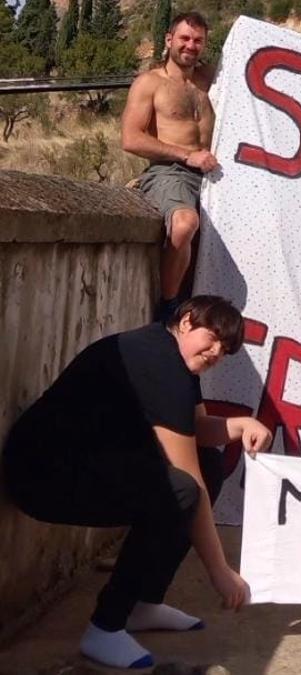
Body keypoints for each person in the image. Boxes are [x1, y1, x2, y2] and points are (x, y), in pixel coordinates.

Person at [1, 296, 272, 669]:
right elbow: (189, 480)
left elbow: (193, 431)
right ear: (188, 321)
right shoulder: (159, 363)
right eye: (213, 338)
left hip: (84, 462)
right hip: (41, 474)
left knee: (205, 464)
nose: (215, 352)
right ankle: (105, 626)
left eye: (225, 350)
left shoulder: (175, 358)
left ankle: (144, 602)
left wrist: (238, 426)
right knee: (181, 490)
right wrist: (220, 572)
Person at [121, 12, 218, 321]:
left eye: (198, 40)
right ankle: (168, 309)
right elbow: (131, 138)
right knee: (184, 223)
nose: (191, 46)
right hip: (171, 171)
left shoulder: (211, 79)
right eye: (185, 38)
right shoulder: (150, 83)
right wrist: (185, 155)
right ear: (169, 40)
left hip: (216, 177)